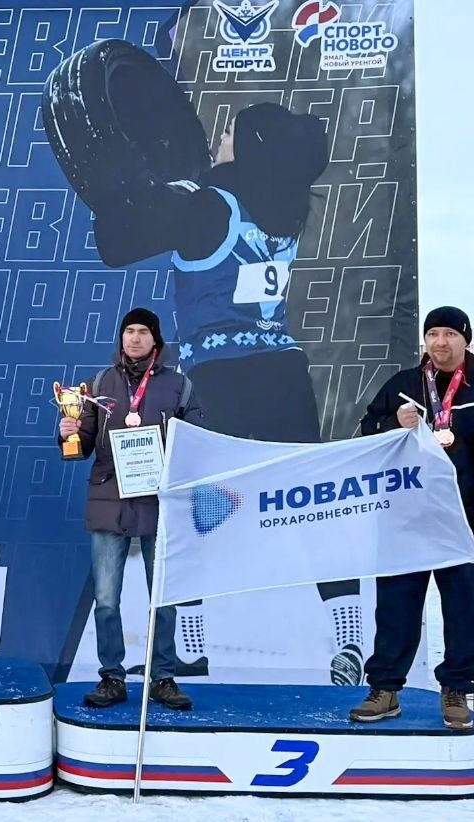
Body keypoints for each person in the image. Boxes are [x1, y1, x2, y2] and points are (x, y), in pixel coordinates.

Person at [91, 102, 364, 685]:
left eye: (230, 130)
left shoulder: (212, 204)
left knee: (196, 509)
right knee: (313, 505)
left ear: (251, 144)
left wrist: (118, 179)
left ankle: (188, 651)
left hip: (220, 381)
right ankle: (349, 639)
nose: (218, 136)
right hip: (285, 378)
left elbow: (113, 243)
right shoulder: (285, 205)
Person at [59, 308, 203, 710]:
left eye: (142, 331)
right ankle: (112, 677)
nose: (135, 338)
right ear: (121, 338)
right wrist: (68, 433)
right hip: (110, 499)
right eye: (128, 331)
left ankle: (163, 678)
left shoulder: (178, 385)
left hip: (160, 502)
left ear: (155, 339)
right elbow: (80, 448)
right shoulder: (99, 384)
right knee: (106, 599)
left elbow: (195, 442)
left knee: (164, 598)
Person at [350, 306, 474, 730]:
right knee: (396, 607)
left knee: (464, 608)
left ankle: (456, 688)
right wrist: (391, 422)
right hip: (406, 518)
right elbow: (366, 429)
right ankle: (385, 689)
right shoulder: (404, 385)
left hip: (463, 520)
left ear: (466, 339)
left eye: (450, 334)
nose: (440, 342)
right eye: (433, 333)